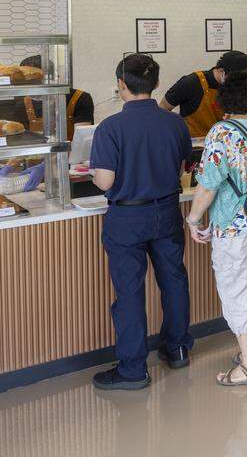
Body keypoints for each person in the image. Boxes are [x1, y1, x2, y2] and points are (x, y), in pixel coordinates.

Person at [89, 54, 193, 391]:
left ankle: (133, 369)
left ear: (121, 84)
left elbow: (105, 181)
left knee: (130, 293)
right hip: (166, 211)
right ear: (157, 84)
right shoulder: (176, 124)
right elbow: (180, 170)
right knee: (173, 281)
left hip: (127, 217)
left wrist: (93, 172)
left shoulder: (110, 128)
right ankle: (176, 349)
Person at [185, 69, 247, 387]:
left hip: (234, 227)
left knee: (237, 290)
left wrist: (194, 218)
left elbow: (208, 185)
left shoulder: (221, 132)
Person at [161, 51, 247, 138]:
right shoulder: (191, 82)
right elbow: (163, 108)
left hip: (221, 142)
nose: (238, 83)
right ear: (221, 70)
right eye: (235, 78)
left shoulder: (236, 86)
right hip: (193, 145)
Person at [13, 56, 94, 138]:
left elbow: (83, 138)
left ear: (52, 78)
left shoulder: (80, 98)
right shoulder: (22, 105)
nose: (29, 86)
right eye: (25, 82)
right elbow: (22, 139)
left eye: (33, 81)